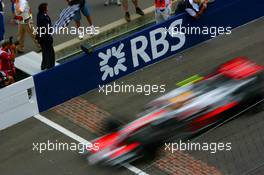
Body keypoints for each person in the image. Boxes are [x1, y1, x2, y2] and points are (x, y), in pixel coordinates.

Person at [36, 3, 55, 70]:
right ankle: (50, 66)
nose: (48, 9)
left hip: (41, 38)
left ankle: (44, 66)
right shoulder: (44, 18)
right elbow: (47, 29)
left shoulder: (39, 15)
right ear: (44, 10)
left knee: (45, 52)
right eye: (47, 7)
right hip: (45, 39)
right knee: (49, 52)